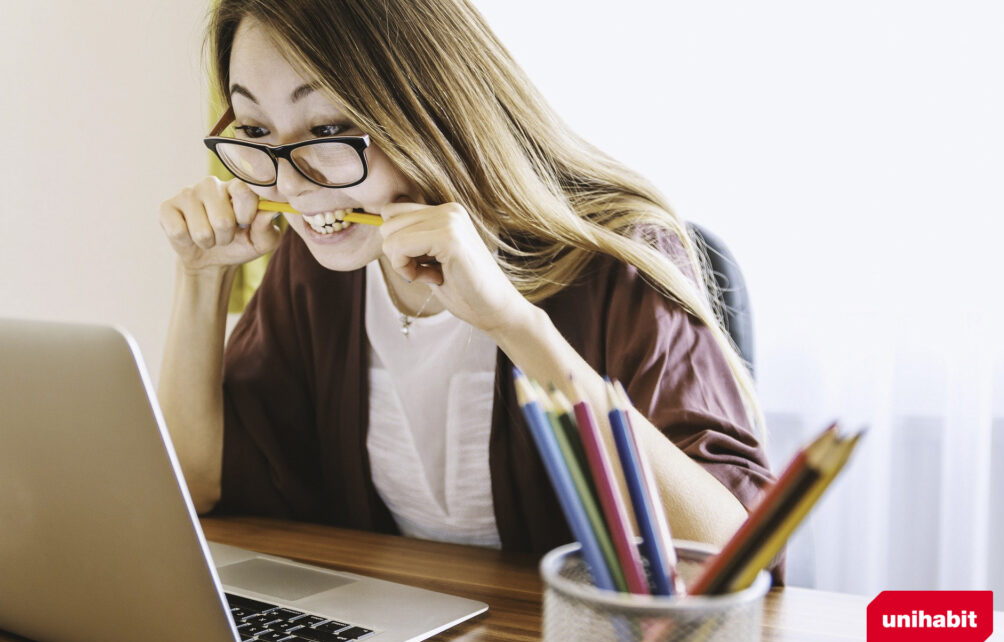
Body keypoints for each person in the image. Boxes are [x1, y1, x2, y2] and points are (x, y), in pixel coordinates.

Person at [158, 0, 778, 575]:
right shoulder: (318, 268)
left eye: (326, 130)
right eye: (258, 131)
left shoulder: (617, 259)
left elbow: (732, 556)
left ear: (429, 106)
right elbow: (196, 484)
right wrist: (202, 277)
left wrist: (514, 324)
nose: (292, 185)